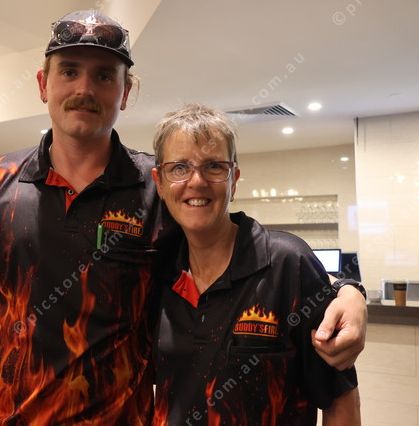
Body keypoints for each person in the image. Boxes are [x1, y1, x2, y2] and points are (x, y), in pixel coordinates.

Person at [0, 10, 366, 425]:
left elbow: (242, 255)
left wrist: (348, 291)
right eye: (69, 71)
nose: (85, 88)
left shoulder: (161, 188)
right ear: (43, 83)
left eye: (104, 75)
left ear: (126, 92)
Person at [150, 103, 361, 425]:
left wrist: (350, 291)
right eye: (179, 168)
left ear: (233, 179)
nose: (197, 181)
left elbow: (340, 400)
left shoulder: (288, 264)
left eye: (214, 166)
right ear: (160, 183)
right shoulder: (156, 270)